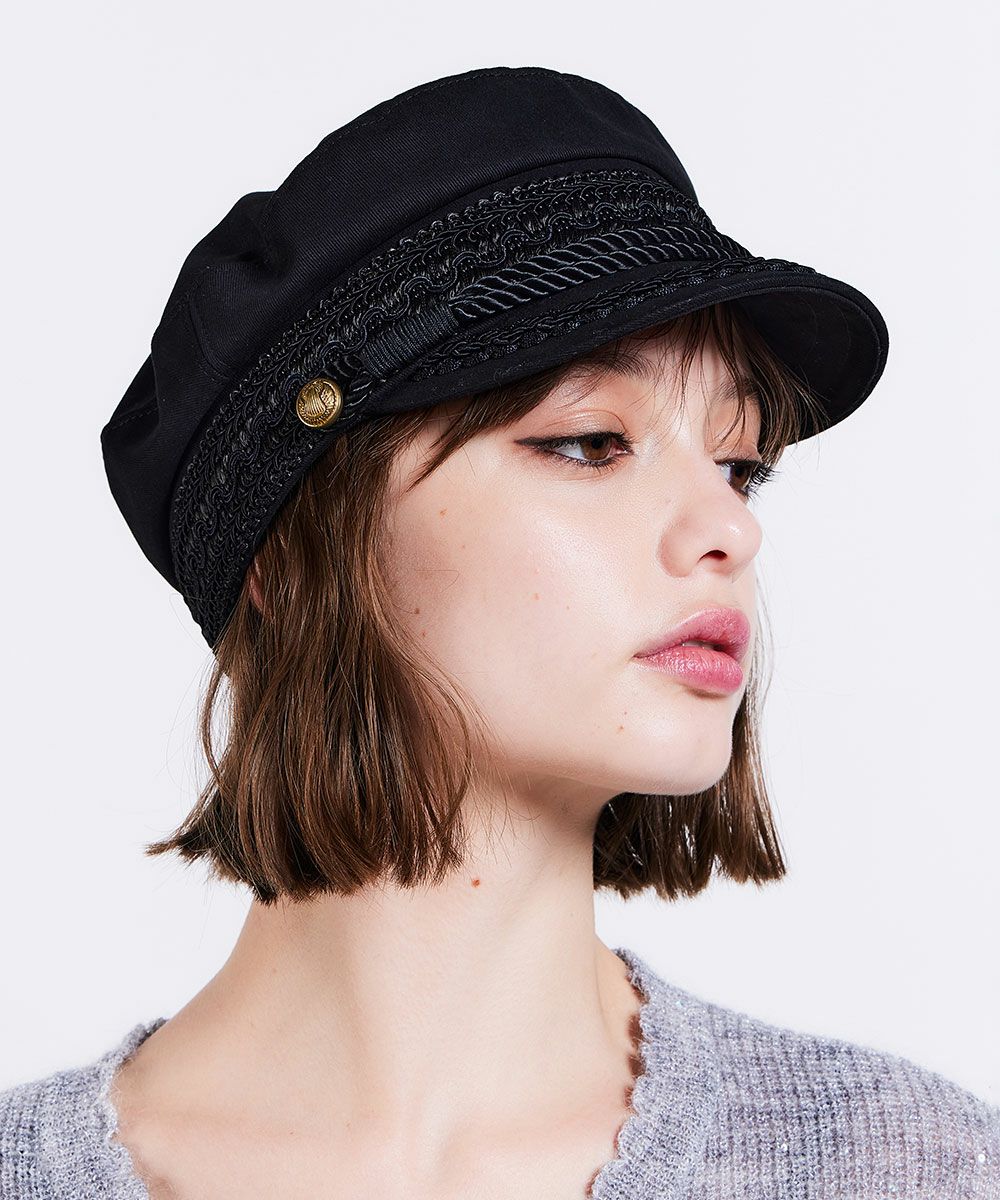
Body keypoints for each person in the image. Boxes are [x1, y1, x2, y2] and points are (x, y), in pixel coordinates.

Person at [1, 66, 997, 1200]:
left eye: (739, 464)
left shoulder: (907, 1168)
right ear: (290, 553)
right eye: (588, 443)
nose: (729, 527)